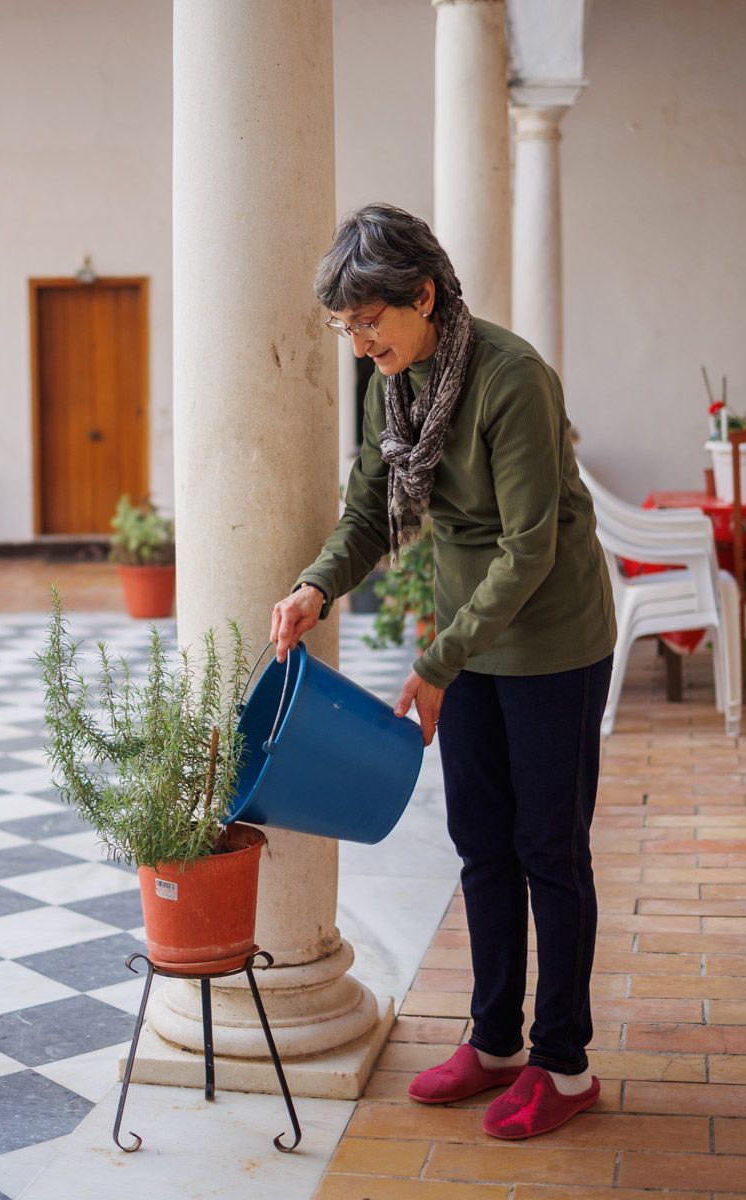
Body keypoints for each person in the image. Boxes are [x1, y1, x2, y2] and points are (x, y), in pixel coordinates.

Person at [269, 203, 617, 1141]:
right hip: (471, 641)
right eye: (346, 329)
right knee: (482, 845)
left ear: (423, 296)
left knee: (550, 848)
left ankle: (565, 1062)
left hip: (552, 641)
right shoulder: (399, 385)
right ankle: (497, 1041)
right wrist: (315, 587)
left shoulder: (512, 380)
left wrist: (434, 663)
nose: (358, 345)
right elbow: (369, 513)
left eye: (369, 323)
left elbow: (529, 548)